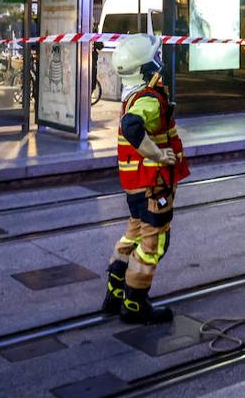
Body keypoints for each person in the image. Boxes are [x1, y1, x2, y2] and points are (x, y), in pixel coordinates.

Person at [103, 34, 189, 324]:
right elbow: (132, 126)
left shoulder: (132, 96)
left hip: (135, 185)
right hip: (154, 186)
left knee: (134, 234)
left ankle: (114, 290)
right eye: (156, 59)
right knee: (154, 244)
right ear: (145, 68)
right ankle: (135, 302)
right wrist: (160, 156)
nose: (160, 63)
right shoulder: (149, 100)